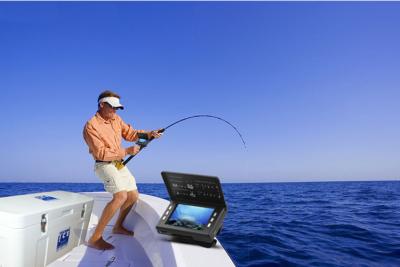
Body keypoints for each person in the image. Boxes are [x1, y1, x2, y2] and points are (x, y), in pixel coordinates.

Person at [83, 90, 162, 250]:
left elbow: (131, 134)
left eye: (117, 108)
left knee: (132, 196)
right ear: (102, 105)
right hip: (103, 164)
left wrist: (149, 134)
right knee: (120, 196)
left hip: (118, 164)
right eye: (112, 107)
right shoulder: (91, 126)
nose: (115, 111)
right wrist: (126, 151)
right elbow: (101, 153)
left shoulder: (116, 119)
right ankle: (95, 238)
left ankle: (117, 227)